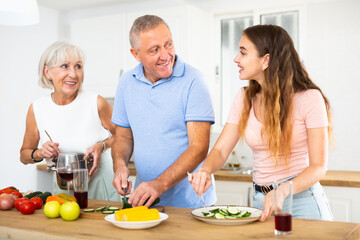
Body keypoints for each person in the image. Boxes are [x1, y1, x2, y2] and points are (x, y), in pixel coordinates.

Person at [189, 24, 333, 221]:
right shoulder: (243, 98)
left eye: (243, 52)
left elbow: (318, 166)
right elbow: (222, 150)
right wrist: (205, 170)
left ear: (266, 60)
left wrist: (283, 191)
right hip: (260, 203)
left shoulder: (309, 98)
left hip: (301, 202)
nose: (236, 59)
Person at [111, 15, 216, 208]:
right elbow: (123, 138)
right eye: (154, 50)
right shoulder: (127, 82)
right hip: (145, 202)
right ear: (136, 54)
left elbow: (199, 148)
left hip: (190, 204)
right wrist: (120, 165)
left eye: (168, 44)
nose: (166, 55)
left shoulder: (194, 81)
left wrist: (159, 184)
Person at [20, 41, 119, 201]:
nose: (73, 74)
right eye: (65, 66)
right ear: (47, 72)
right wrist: (40, 153)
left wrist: (102, 146)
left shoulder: (96, 102)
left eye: (78, 66)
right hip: (63, 188)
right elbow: (24, 155)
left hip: (101, 186)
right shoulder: (37, 108)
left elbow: (124, 135)